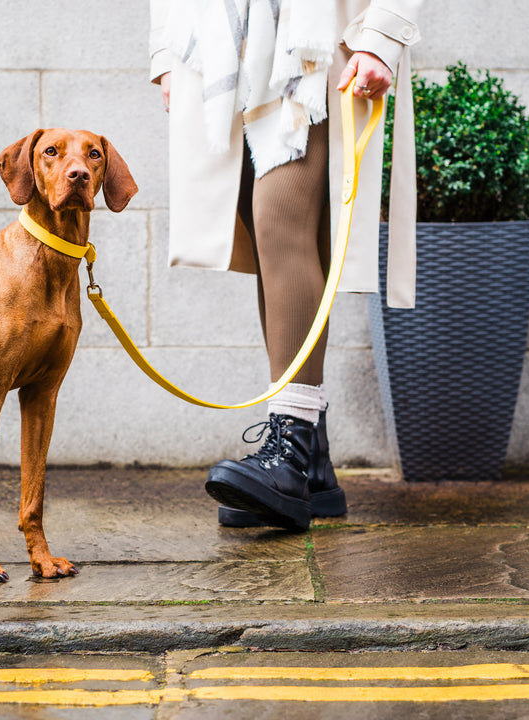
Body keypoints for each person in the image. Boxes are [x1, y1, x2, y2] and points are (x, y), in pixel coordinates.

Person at [148, 0, 422, 530]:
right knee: (264, 232)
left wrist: (382, 37)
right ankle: (313, 466)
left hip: (314, 39)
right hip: (225, 35)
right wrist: (167, 50)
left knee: (281, 221)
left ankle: (290, 451)